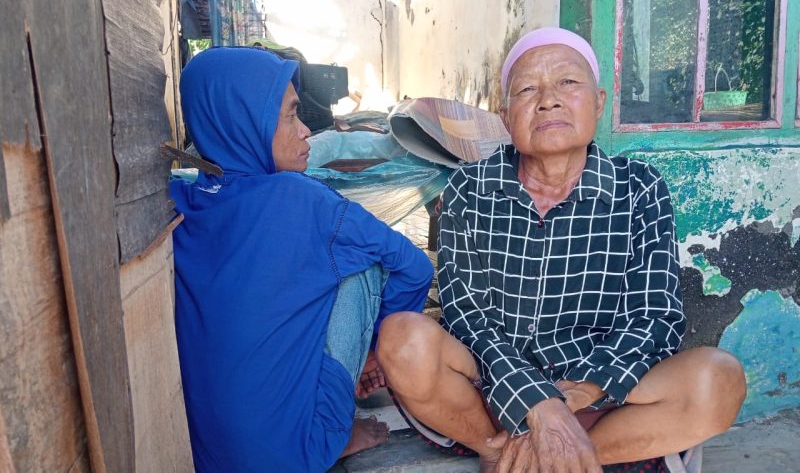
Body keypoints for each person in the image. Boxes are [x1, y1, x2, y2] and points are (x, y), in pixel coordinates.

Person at [377, 27, 746, 472]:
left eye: (568, 82)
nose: (548, 100)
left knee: (719, 379)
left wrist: (582, 391)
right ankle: (496, 446)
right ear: (505, 116)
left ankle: (541, 457)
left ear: (599, 102)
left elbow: (654, 316)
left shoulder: (638, 188)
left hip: (599, 394)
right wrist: (535, 401)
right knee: (401, 338)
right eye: (527, 89)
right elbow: (468, 317)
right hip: (494, 389)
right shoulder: (468, 190)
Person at [170, 47, 433, 472]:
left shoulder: (179, 202)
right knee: (364, 263)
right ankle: (334, 431)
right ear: (247, 122)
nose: (307, 130)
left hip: (210, 457)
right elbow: (416, 268)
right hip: (295, 454)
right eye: (291, 115)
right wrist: (375, 351)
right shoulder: (305, 199)